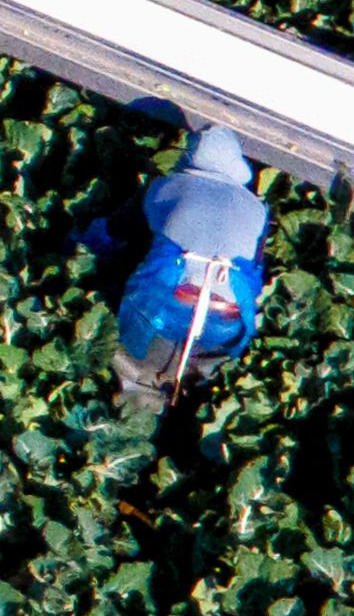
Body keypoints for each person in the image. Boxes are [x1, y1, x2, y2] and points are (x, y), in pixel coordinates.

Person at [114, 123, 270, 419]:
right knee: (207, 352)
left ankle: (137, 399)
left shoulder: (167, 186)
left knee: (141, 338)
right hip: (228, 316)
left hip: (169, 302)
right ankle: (189, 400)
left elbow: (135, 223)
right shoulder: (257, 209)